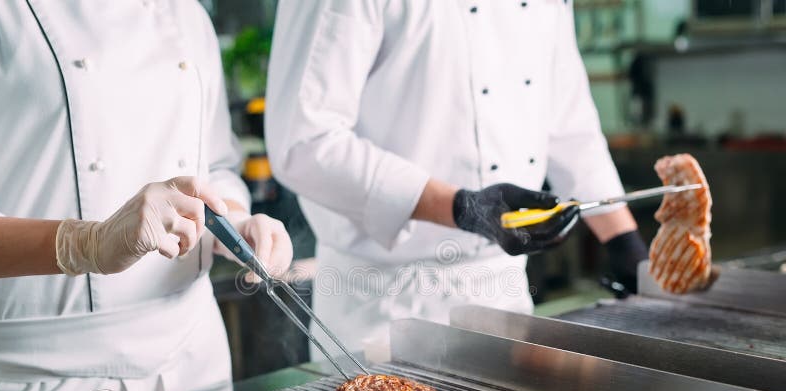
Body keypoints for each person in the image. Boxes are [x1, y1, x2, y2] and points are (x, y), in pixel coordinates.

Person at [0, 1, 292, 391]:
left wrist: (235, 222)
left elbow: (217, 163)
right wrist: (86, 243)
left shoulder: (185, 12)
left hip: (193, 362)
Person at [265, 1, 647, 357]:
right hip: (386, 309)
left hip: (505, 297)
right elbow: (302, 143)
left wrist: (623, 242)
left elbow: (568, 123)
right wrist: (462, 208)